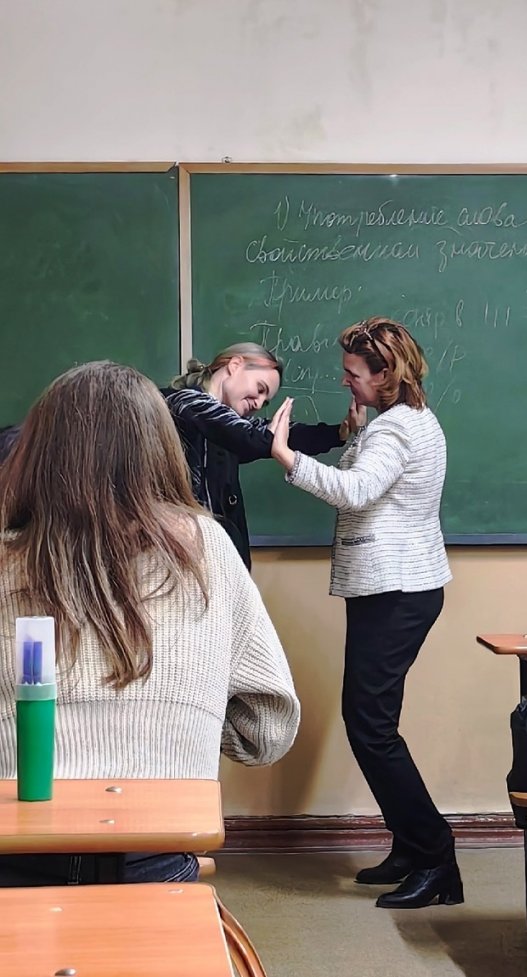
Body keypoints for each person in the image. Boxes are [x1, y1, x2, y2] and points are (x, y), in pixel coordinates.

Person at [0, 361, 300, 886]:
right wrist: (187, 718)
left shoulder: (7, 558)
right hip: (157, 858)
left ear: (35, 453)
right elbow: (268, 730)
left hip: (13, 860)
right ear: (163, 450)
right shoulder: (209, 550)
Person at [269, 317, 458, 910]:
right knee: (374, 724)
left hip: (397, 591)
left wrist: (286, 455)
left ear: (385, 374)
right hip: (397, 589)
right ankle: (409, 847)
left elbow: (355, 492)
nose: (346, 381)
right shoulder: (401, 421)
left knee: (371, 728)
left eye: (353, 374)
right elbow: (372, 480)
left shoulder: (396, 431)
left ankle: (436, 859)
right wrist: (354, 433)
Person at [161, 342, 363, 569]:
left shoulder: (230, 422)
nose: (258, 403)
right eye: (260, 389)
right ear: (235, 365)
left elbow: (279, 436)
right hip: (183, 560)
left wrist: (338, 432)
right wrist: (271, 438)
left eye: (265, 401)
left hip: (219, 563)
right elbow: (249, 436)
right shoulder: (185, 401)